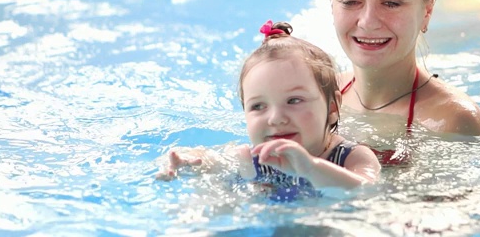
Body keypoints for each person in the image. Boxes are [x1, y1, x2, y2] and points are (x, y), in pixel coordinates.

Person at [157, 20, 381, 202]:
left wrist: (312, 168)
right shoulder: (251, 158)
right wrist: (186, 161)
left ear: (332, 107)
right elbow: (208, 158)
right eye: (258, 106)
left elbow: (368, 191)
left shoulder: (352, 157)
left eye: (294, 100)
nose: (275, 118)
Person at [327, 0, 480, 165]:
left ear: (427, 11)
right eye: (351, 1)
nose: (368, 21)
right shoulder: (320, 95)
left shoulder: (452, 120)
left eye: (391, 3)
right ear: (332, 5)